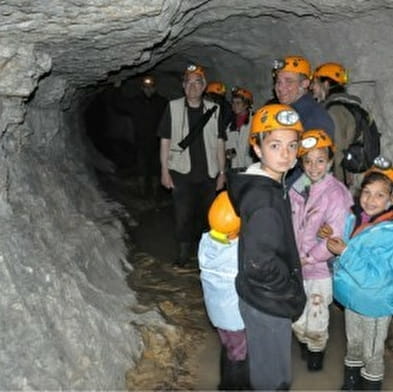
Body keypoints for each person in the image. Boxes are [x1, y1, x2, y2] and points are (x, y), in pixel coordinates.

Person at [227, 103, 307, 390]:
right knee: (273, 378)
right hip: (268, 300)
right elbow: (259, 264)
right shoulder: (264, 199)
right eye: (275, 145)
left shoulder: (268, 186)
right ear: (257, 149)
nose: (286, 154)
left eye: (292, 145)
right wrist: (287, 289)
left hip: (259, 297)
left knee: (265, 366)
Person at [324, 157, 393, 390]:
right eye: (367, 192)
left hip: (374, 303)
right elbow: (345, 249)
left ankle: (370, 385)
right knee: (353, 342)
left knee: (372, 351)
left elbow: (377, 277)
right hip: (352, 297)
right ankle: (351, 382)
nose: (370, 200)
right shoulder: (355, 218)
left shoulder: (389, 233)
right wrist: (331, 240)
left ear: (391, 199)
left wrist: (345, 253)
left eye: (380, 195)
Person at [289, 129, 353, 372]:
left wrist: (308, 257)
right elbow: (290, 221)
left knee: (316, 313)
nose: (313, 167)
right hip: (297, 263)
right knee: (298, 310)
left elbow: (334, 238)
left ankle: (316, 354)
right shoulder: (298, 187)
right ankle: (305, 344)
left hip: (319, 268)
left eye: (320, 160)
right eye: (307, 160)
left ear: (330, 161)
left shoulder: (336, 194)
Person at [158, 64, 226, 267]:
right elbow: (165, 140)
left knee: (209, 217)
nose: (193, 86)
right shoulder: (173, 107)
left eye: (198, 82)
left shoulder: (215, 110)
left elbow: (221, 142)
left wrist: (222, 172)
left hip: (209, 173)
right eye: (189, 82)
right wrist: (164, 170)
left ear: (204, 86)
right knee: (183, 215)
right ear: (183, 85)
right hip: (181, 172)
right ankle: (183, 254)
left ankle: (207, 256)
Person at [198, 191, 249, 390]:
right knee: (239, 353)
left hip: (217, 313)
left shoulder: (207, 243)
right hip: (234, 315)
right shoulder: (236, 252)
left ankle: (227, 383)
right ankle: (234, 386)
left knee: (228, 346)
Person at [273, 55, 335, 185]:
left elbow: (314, 168)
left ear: (305, 83)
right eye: (278, 82)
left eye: (289, 81)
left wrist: (289, 193)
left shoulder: (314, 117)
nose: (280, 87)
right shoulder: (287, 113)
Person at [311, 63, 362, 192]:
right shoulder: (351, 106)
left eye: (315, 83)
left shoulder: (335, 110)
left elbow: (338, 148)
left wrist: (337, 185)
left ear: (326, 84)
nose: (312, 87)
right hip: (353, 168)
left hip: (342, 175)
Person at [128, 75, 168, 199]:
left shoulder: (162, 102)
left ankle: (155, 193)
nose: (148, 90)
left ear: (155, 88)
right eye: (146, 88)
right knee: (142, 169)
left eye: (151, 88)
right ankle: (142, 193)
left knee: (156, 169)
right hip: (141, 142)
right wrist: (115, 88)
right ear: (142, 88)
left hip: (157, 143)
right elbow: (119, 104)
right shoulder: (136, 102)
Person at [225, 87, 255, 172]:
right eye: (233, 103)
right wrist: (228, 152)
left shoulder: (254, 121)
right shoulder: (230, 124)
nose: (234, 106)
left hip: (251, 168)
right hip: (235, 168)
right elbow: (226, 145)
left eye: (238, 103)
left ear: (246, 104)